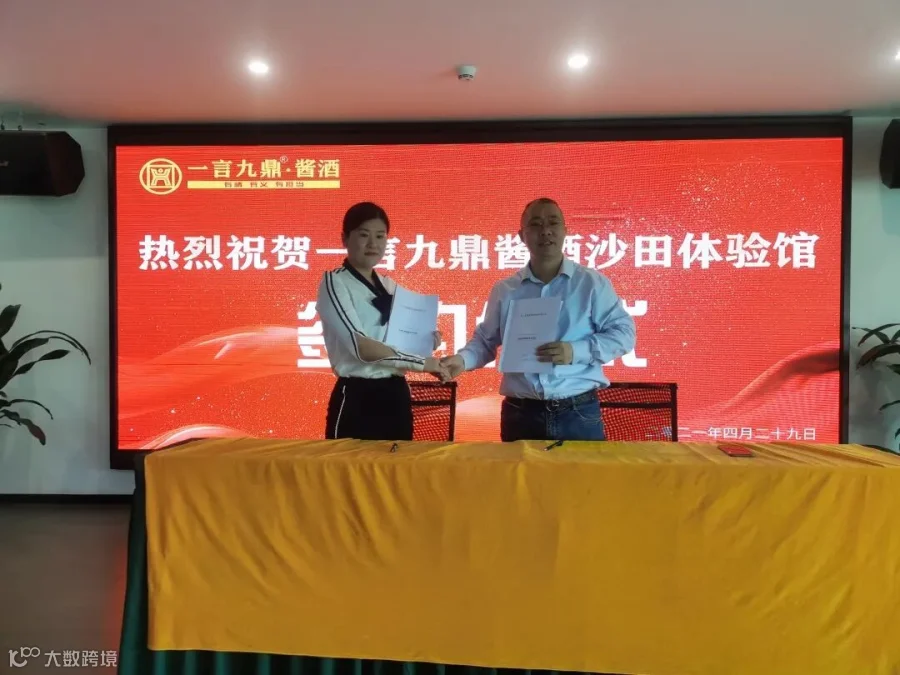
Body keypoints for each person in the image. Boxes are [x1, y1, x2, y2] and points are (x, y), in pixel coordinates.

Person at [441, 197, 636, 442]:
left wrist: (575, 351)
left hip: (577, 412)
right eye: (535, 224)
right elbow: (485, 342)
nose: (545, 231)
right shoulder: (506, 290)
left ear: (565, 231)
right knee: (518, 471)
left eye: (553, 223)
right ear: (521, 236)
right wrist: (462, 360)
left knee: (583, 471)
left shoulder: (591, 283)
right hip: (521, 413)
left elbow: (623, 334)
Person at [317, 202, 447, 441]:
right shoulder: (334, 282)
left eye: (380, 236)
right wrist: (422, 362)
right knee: (348, 465)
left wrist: (426, 341)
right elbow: (362, 347)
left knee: (397, 464)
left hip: (396, 394)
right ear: (345, 239)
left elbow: (402, 341)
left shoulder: (390, 286)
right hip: (357, 396)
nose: (373, 244)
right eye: (363, 235)